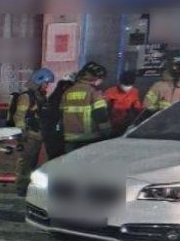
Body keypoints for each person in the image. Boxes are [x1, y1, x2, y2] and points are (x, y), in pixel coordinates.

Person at [12, 68, 54, 197]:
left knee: (32, 163)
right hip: (29, 135)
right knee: (25, 163)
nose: (47, 86)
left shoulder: (40, 97)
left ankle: (28, 187)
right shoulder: (26, 96)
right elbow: (19, 116)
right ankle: (22, 188)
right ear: (39, 81)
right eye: (46, 83)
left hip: (37, 134)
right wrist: (22, 133)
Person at [61, 62, 112, 153]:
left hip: (69, 139)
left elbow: (61, 113)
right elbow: (101, 115)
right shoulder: (93, 93)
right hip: (89, 139)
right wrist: (108, 133)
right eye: (101, 79)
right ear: (96, 78)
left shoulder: (67, 92)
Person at [42, 73, 75, 160]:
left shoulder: (53, 97)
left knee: (54, 159)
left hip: (50, 134)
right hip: (61, 134)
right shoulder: (68, 96)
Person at [104, 71, 143, 137]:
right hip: (112, 124)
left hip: (126, 123)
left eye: (129, 85)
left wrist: (140, 117)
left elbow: (137, 107)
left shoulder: (134, 91)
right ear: (120, 82)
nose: (127, 87)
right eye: (125, 84)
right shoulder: (110, 92)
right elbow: (103, 110)